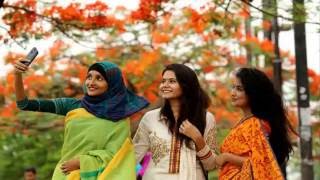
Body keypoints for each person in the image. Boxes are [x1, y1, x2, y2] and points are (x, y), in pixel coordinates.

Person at [14, 60, 149, 180]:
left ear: (112, 84)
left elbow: (118, 156)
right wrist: (17, 75)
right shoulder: (73, 106)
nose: (91, 83)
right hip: (65, 175)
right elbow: (24, 104)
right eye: (89, 77)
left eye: (99, 78)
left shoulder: (119, 117)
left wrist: (82, 162)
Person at [133, 63, 217, 180]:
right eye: (163, 81)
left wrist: (198, 138)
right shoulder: (150, 118)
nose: (165, 85)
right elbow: (133, 156)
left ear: (186, 85)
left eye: (172, 81)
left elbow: (211, 165)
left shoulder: (206, 118)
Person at [216, 67, 294, 179]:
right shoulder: (244, 122)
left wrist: (227, 157)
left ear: (253, 92)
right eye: (233, 87)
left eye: (239, 89)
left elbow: (263, 163)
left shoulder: (258, 124)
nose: (233, 93)